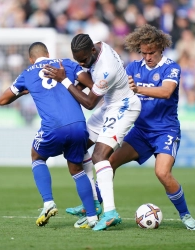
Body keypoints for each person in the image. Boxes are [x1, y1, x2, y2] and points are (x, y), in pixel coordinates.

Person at [63, 24, 195, 230]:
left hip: (165, 131)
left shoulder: (172, 67)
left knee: (162, 173)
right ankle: (97, 208)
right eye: (144, 53)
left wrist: (138, 88)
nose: (147, 57)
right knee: (108, 162)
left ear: (161, 48)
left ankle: (185, 215)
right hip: (140, 131)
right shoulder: (134, 68)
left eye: (152, 53)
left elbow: (166, 92)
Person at [43, 33, 141, 231]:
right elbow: (87, 76)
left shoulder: (107, 69)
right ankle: (94, 203)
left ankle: (111, 212)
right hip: (109, 106)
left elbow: (89, 103)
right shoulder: (94, 47)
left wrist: (64, 81)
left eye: (84, 59)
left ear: (93, 51)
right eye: (78, 60)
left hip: (124, 106)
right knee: (76, 148)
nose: (82, 63)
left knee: (99, 156)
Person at [0, 42, 99, 228]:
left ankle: (48, 202)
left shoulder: (27, 73)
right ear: (48, 54)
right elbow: (93, 85)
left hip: (53, 127)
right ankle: (92, 218)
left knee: (37, 156)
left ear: (31, 58)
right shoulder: (67, 63)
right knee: (76, 169)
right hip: (78, 124)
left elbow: (2, 100)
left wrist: (23, 92)